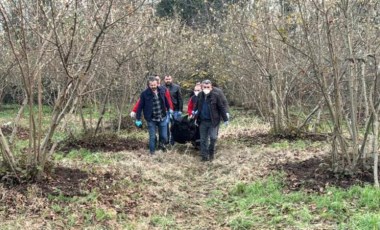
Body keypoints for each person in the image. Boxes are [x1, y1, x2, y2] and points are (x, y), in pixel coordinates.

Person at [135, 76, 172, 155]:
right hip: (151, 119)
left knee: (164, 137)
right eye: (151, 85)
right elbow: (140, 106)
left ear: (157, 83)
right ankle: (152, 153)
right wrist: (138, 118)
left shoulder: (162, 90)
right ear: (149, 85)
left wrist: (169, 109)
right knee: (152, 136)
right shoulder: (144, 94)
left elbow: (166, 101)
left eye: (154, 85)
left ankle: (161, 146)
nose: (153, 87)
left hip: (162, 117)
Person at [194, 79, 228, 161]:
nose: (206, 88)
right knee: (203, 140)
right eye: (204, 87)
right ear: (202, 87)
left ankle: (211, 152)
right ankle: (204, 156)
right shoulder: (200, 95)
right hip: (202, 121)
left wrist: (225, 118)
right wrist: (194, 112)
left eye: (208, 87)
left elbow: (221, 107)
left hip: (213, 121)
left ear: (211, 87)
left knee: (213, 138)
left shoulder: (216, 96)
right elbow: (197, 105)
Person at [164, 75, 183, 145]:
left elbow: (180, 99)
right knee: (165, 125)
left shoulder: (176, 87)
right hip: (166, 110)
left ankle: (172, 141)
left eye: (169, 79)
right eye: (166, 79)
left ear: (171, 79)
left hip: (175, 110)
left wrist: (180, 110)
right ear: (164, 80)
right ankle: (166, 140)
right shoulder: (162, 88)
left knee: (174, 126)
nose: (168, 80)